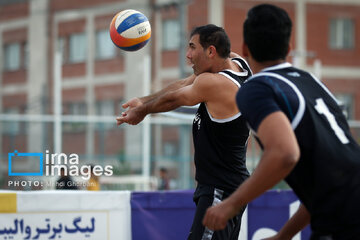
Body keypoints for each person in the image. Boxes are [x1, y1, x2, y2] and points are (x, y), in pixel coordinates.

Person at [202, 4, 360, 240]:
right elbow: (330, 177)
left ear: (244, 49)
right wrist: (283, 236)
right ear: (288, 48)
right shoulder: (314, 83)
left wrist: (230, 204)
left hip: (344, 219)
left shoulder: (257, 88)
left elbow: (285, 154)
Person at [117, 24, 252, 240]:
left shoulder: (216, 83)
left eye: (192, 48)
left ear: (211, 51)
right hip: (229, 186)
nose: (188, 56)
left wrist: (143, 111)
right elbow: (184, 84)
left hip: (220, 190)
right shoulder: (237, 64)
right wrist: (143, 100)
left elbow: (176, 98)